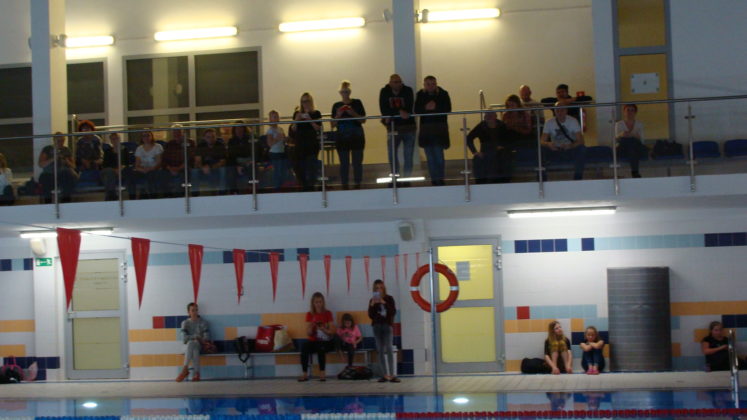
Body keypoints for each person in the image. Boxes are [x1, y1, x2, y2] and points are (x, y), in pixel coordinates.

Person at [414, 75, 452, 186]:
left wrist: (435, 107)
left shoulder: (443, 94)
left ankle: (440, 179)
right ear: (424, 85)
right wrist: (426, 108)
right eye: (428, 84)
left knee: (439, 156)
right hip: (426, 130)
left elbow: (448, 108)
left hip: (439, 129)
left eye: (433, 84)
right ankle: (434, 180)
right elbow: (417, 110)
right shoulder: (420, 95)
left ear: (436, 84)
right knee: (430, 158)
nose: (431, 86)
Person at [379, 74, 416, 182]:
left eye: (399, 82)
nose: (398, 84)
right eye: (395, 82)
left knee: (408, 154)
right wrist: (399, 111)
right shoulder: (384, 92)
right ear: (390, 83)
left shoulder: (408, 90)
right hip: (393, 127)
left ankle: (407, 179)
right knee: (392, 154)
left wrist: (393, 113)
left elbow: (409, 107)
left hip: (409, 127)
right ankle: (395, 177)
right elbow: (384, 109)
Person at [331, 81, 366, 189]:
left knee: (357, 162)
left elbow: (363, 120)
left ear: (350, 92)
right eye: (343, 91)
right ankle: (344, 185)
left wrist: (353, 113)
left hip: (356, 136)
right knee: (344, 163)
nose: (345, 93)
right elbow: (332, 124)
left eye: (347, 91)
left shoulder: (357, 103)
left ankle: (357, 184)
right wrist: (338, 115)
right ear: (340, 92)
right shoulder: (336, 105)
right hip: (342, 137)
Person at [541, 101, 587, 180]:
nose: (560, 112)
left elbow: (581, 141)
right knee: (541, 150)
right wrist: (548, 144)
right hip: (555, 150)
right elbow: (541, 141)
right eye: (557, 110)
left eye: (562, 110)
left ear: (566, 111)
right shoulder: (549, 122)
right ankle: (542, 179)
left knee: (581, 149)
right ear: (554, 111)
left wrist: (571, 146)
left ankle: (578, 178)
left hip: (570, 150)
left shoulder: (573, 121)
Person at [298, 292, 336, 382]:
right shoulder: (309, 314)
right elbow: (308, 333)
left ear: (323, 302)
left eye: (320, 302)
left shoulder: (328, 313)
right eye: (316, 302)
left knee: (321, 347)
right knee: (304, 347)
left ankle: (322, 374)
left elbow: (332, 332)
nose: (318, 304)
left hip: (326, 341)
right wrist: (311, 326)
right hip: (314, 340)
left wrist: (323, 329)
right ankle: (304, 374)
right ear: (313, 303)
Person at [466, 111, 512, 184]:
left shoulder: (502, 125)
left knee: (502, 157)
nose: (489, 118)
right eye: (487, 116)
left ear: (495, 116)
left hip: (501, 152)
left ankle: (502, 181)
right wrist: (475, 152)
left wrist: (503, 146)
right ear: (484, 118)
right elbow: (469, 138)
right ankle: (481, 182)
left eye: (490, 116)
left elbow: (509, 139)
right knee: (478, 159)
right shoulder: (481, 126)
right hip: (486, 152)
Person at [289, 93, 322, 191]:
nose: (305, 103)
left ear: (311, 101)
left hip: (312, 145)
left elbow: (318, 128)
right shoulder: (297, 114)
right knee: (300, 170)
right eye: (303, 101)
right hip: (300, 146)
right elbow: (292, 130)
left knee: (312, 170)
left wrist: (310, 120)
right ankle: (303, 188)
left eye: (307, 101)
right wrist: (297, 120)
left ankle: (311, 188)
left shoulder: (316, 113)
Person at [368, 279, 399, 382]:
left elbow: (393, 312)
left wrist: (384, 302)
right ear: (374, 289)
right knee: (380, 350)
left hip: (387, 326)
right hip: (377, 326)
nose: (379, 290)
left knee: (389, 348)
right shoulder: (372, 300)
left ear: (384, 288)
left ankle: (392, 374)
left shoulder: (389, 299)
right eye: (377, 288)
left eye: (381, 288)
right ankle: (384, 375)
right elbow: (371, 315)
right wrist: (372, 305)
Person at [38, 133, 78, 203]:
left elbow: (74, 166)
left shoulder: (66, 150)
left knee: (67, 175)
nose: (61, 143)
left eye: (62, 141)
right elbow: (41, 164)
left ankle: (66, 200)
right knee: (45, 179)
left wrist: (66, 161)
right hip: (49, 173)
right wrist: (53, 159)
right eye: (59, 141)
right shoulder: (47, 149)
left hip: (63, 173)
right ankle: (48, 201)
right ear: (54, 140)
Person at [176, 302, 210, 382]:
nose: (195, 312)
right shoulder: (185, 323)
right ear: (188, 312)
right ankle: (196, 374)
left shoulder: (203, 323)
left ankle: (185, 369)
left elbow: (206, 338)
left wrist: (194, 338)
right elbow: (184, 338)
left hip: (200, 346)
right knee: (193, 345)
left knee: (193, 344)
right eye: (193, 310)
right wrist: (196, 337)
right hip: (188, 346)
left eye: (196, 310)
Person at [160, 124, 195, 197]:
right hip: (170, 169)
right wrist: (170, 169)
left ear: (183, 132)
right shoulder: (169, 144)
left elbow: (190, 158)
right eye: (174, 132)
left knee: (181, 178)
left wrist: (178, 168)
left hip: (184, 168)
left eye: (178, 132)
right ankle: (167, 198)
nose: (176, 134)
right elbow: (164, 160)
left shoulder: (190, 143)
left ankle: (180, 198)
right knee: (161, 176)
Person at [192, 128, 227, 195]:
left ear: (216, 137)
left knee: (223, 170)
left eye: (213, 137)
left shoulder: (220, 145)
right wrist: (203, 167)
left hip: (216, 168)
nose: (211, 139)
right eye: (208, 137)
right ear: (204, 138)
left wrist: (211, 167)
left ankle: (222, 194)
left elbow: (223, 162)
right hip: (204, 170)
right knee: (194, 171)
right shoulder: (200, 145)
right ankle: (195, 195)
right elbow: (197, 161)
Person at [130, 130, 163, 199]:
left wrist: (150, 169)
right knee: (130, 176)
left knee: (150, 175)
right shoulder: (139, 148)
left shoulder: (158, 146)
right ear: (142, 138)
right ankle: (133, 198)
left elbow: (159, 162)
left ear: (152, 136)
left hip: (155, 169)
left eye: (148, 135)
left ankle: (151, 197)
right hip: (142, 170)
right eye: (144, 136)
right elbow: (137, 165)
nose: (146, 137)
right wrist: (143, 170)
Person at [615, 103, 646, 178]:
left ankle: (634, 172)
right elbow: (616, 139)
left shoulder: (639, 124)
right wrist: (622, 134)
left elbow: (642, 140)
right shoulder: (619, 124)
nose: (630, 112)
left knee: (632, 143)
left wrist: (633, 136)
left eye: (632, 110)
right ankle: (635, 171)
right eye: (628, 110)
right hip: (623, 149)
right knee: (629, 142)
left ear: (635, 112)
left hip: (635, 148)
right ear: (624, 112)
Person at [100, 133, 134, 201]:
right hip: (110, 171)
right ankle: (112, 194)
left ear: (119, 139)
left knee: (129, 171)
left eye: (116, 138)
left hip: (122, 170)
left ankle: (111, 196)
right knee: (109, 172)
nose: (115, 140)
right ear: (111, 141)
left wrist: (120, 169)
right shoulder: (107, 151)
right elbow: (105, 165)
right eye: (113, 139)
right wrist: (114, 170)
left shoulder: (124, 150)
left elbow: (127, 163)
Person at [225, 122, 256, 194]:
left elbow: (255, 151)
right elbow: (230, 156)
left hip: (249, 161)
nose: (239, 130)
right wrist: (237, 165)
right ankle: (233, 192)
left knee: (253, 167)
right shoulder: (231, 141)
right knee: (230, 170)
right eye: (237, 128)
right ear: (234, 130)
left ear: (244, 129)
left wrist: (251, 160)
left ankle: (251, 189)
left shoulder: (250, 139)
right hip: (237, 162)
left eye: (241, 128)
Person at [265, 110, 290, 191]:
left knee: (283, 172)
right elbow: (269, 144)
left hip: (282, 152)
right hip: (274, 153)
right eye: (274, 117)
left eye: (277, 117)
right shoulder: (270, 131)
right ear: (270, 119)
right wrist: (276, 139)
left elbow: (283, 140)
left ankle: (282, 187)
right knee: (277, 172)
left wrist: (286, 139)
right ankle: (277, 189)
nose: (276, 119)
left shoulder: (280, 129)